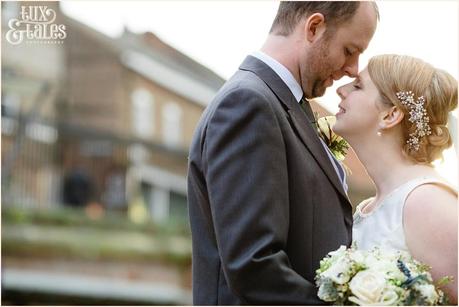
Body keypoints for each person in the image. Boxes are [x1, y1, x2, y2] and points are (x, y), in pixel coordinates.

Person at [187, 2, 378, 304]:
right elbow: (254, 266)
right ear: (314, 27)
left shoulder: (282, 103)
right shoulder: (248, 103)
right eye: (350, 50)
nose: (352, 69)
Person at [333, 54, 458, 303]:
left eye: (357, 86)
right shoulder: (370, 205)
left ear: (390, 115)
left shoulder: (427, 202)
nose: (340, 90)